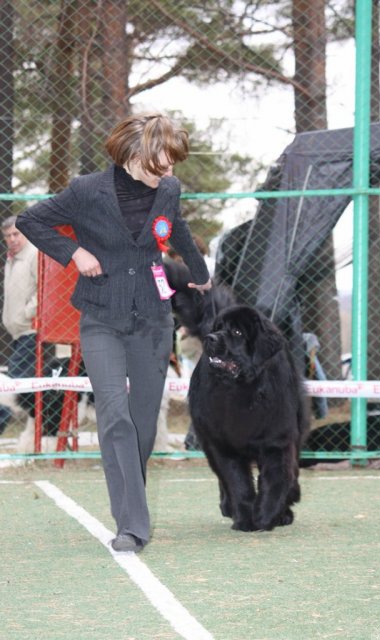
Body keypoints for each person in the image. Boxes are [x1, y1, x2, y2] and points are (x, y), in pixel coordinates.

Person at [16, 112, 212, 552]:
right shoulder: (87, 191)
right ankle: (132, 525)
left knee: (142, 423)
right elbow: (32, 221)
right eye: (166, 158)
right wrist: (74, 253)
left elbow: (174, 226)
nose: (173, 169)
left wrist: (199, 273)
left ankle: (129, 508)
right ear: (138, 152)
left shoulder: (168, 188)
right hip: (101, 316)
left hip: (153, 318)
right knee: (113, 412)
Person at [0, 216, 38, 433]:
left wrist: (26, 314)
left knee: (10, 386)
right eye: (8, 236)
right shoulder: (11, 258)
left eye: (17, 234)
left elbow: (44, 291)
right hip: (18, 333)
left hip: (31, 331)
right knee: (20, 386)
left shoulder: (34, 255)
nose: (12, 239)